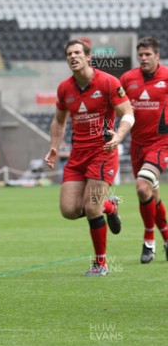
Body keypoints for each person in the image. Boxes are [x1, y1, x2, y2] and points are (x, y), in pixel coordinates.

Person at [45, 40, 134, 276]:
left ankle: (100, 264)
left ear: (88, 57)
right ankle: (110, 206)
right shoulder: (65, 88)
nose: (73, 56)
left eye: (77, 53)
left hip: (102, 153)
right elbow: (59, 120)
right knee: (69, 210)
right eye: (69, 54)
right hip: (77, 156)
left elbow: (128, 113)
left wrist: (119, 135)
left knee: (91, 208)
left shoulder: (108, 82)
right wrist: (54, 146)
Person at [120, 37, 168, 263]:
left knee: (141, 186)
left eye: (148, 54)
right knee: (151, 195)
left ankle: (149, 240)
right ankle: (167, 237)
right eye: (141, 55)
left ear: (157, 56)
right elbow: (116, 104)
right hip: (136, 145)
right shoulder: (128, 79)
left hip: (161, 144)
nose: (144, 58)